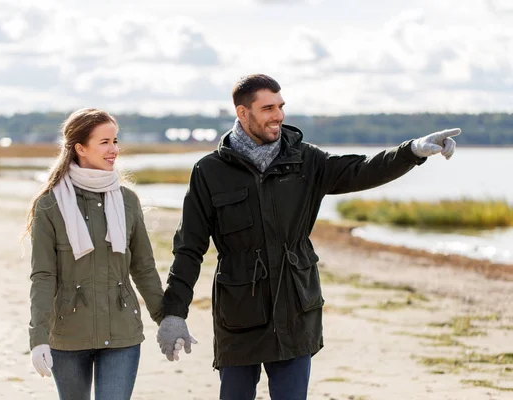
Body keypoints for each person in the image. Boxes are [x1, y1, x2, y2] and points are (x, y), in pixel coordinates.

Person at [156, 74, 460, 399]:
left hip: (296, 306)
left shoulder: (305, 160)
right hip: (239, 311)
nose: (278, 115)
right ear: (243, 113)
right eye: (268, 108)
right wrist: (174, 312)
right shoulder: (210, 171)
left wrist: (411, 151)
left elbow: (363, 169)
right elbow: (189, 248)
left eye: (281, 106)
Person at [26, 108, 165, 400]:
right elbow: (43, 276)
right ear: (80, 147)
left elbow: (143, 268)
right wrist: (38, 338)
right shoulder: (50, 205)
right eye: (104, 142)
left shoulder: (127, 201)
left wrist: (167, 319)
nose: (114, 149)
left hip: (122, 331)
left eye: (115, 141)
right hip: (67, 333)